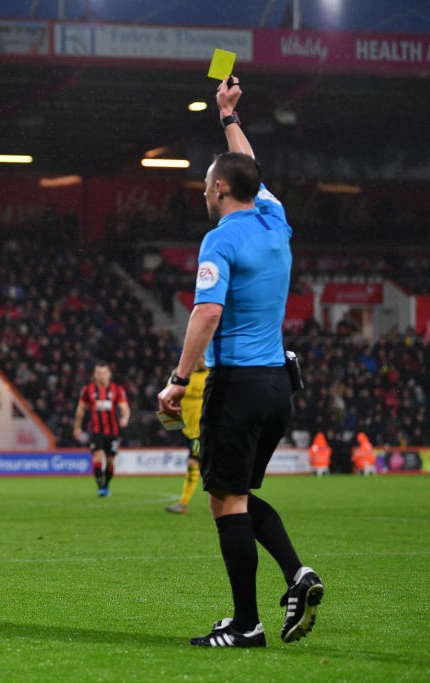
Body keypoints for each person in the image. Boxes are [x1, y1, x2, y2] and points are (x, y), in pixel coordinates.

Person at [157, 75, 323, 648]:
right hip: (278, 384)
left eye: (207, 182)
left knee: (224, 500)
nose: (203, 190)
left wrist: (178, 381)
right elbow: (249, 169)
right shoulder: (273, 220)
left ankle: (247, 623)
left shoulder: (221, 240)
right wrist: (227, 115)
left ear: (221, 187)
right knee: (240, 495)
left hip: (238, 383)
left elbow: (205, 315)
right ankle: (297, 575)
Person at [73, 361, 130, 497]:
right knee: (97, 457)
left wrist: (125, 418)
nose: (101, 376)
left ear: (109, 374)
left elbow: (124, 408)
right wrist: (77, 427)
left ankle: (106, 485)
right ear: (94, 375)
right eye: (98, 373)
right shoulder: (88, 390)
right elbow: (81, 409)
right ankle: (100, 488)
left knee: (110, 460)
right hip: (96, 430)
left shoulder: (117, 390)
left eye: (104, 373)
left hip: (113, 431)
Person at [165, 356, 209, 514]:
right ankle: (226, 500)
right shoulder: (181, 374)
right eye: (200, 356)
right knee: (207, 469)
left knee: (192, 463)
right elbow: (167, 395)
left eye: (205, 356)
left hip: (204, 430)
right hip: (186, 429)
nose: (202, 360)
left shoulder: (212, 374)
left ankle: (183, 504)